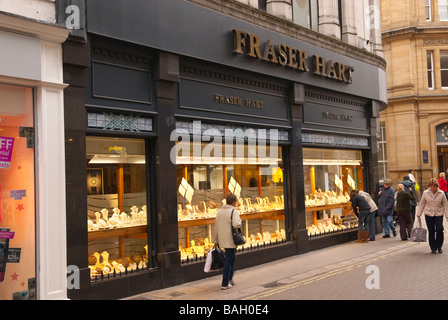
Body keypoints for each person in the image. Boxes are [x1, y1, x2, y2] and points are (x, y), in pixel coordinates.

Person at [214, 193, 242, 289]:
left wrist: (216, 240)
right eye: (236, 202)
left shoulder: (219, 211)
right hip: (230, 239)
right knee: (228, 260)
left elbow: (216, 227)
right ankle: (225, 283)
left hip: (222, 239)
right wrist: (240, 221)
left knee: (231, 258)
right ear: (233, 202)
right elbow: (236, 224)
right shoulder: (234, 211)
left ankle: (230, 279)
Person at [416, 178, 448, 254]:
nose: (433, 188)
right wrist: (419, 213)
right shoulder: (425, 193)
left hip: (439, 213)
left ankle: (439, 246)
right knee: (431, 231)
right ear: (429, 186)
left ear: (437, 186)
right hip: (428, 214)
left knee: (439, 229)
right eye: (431, 186)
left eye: (434, 187)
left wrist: (447, 215)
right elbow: (422, 203)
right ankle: (433, 247)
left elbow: (445, 204)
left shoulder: (442, 193)